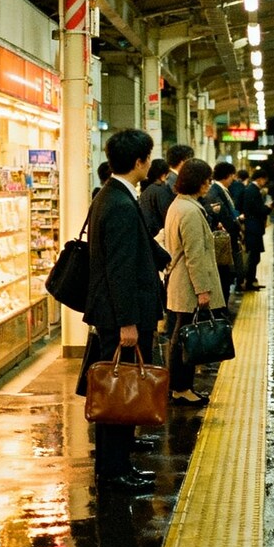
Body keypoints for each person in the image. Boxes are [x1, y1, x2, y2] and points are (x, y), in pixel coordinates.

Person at [80, 128, 167, 493]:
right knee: (118, 391)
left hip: (117, 312)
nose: (149, 163)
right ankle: (114, 472)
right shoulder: (118, 203)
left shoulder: (111, 195)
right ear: (139, 161)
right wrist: (128, 322)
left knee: (119, 389)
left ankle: (117, 464)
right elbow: (120, 268)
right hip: (123, 316)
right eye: (148, 157)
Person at [163, 158, 223, 407]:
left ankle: (180, 387)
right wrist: (202, 290)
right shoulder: (189, 211)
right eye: (207, 180)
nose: (209, 184)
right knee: (185, 338)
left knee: (181, 335)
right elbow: (194, 255)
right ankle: (181, 388)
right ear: (197, 181)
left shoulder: (179, 205)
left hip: (181, 281)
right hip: (188, 284)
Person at [206, 160, 243, 305]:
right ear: (228, 175)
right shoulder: (215, 192)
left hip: (229, 240)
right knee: (224, 276)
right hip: (223, 242)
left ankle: (223, 307)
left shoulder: (221, 190)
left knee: (228, 275)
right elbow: (222, 216)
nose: (233, 179)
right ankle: (222, 308)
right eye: (233, 175)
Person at [240, 168, 270, 290]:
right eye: (264, 180)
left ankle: (251, 280)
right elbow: (258, 210)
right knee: (254, 256)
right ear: (260, 179)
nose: (265, 182)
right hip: (254, 227)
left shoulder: (251, 189)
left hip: (253, 227)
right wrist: (268, 208)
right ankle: (249, 282)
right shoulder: (253, 190)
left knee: (254, 256)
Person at [138, 156, 172, 237]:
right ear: (163, 175)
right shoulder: (160, 191)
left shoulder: (147, 190)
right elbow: (167, 215)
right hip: (159, 233)